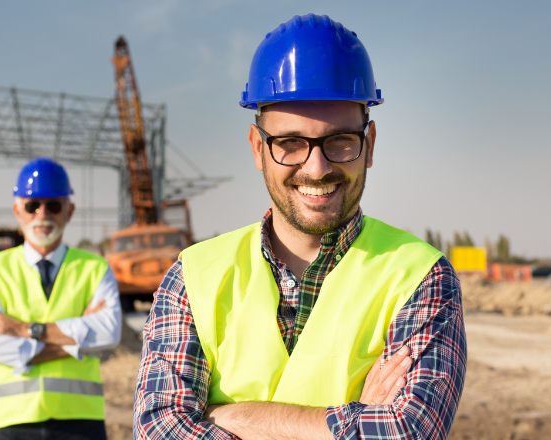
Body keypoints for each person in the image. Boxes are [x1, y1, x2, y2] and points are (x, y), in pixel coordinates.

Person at [134, 13, 466, 439]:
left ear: (369, 146)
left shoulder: (420, 276)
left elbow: (408, 433)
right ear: (258, 148)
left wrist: (233, 416)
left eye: (339, 141)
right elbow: (157, 429)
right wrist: (351, 418)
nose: (317, 167)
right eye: (290, 143)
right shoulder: (193, 277)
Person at [0, 157, 122, 439]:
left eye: (53, 205)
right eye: (32, 205)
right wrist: (76, 343)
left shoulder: (95, 268)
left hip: (81, 421)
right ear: (18, 211)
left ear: (70, 210)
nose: (42, 214)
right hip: (10, 422)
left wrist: (22, 330)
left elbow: (109, 333)